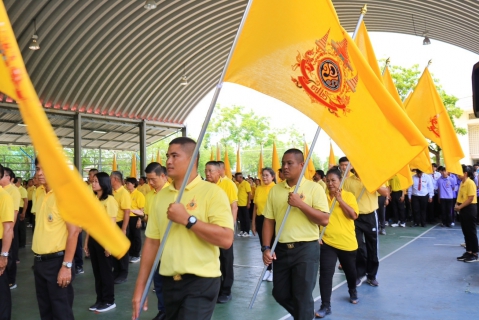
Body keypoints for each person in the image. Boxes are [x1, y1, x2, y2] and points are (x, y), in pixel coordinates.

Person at [132, 137, 234, 320]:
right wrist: (142, 287)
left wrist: (188, 219)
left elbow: (226, 239)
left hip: (201, 282)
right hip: (169, 281)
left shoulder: (212, 193)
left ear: (192, 159)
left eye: (174, 156)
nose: (168, 161)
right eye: (167, 156)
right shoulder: (160, 197)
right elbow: (152, 243)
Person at [262, 149, 329, 320]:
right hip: (282, 250)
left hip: (306, 249)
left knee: (303, 297)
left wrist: (300, 204)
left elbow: (324, 219)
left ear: (301, 165)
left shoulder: (315, 188)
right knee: (280, 293)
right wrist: (266, 247)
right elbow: (268, 221)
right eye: (283, 163)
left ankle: (304, 314)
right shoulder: (275, 190)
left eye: (289, 163)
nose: (285, 167)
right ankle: (304, 315)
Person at [32, 157, 81, 319]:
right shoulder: (39, 192)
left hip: (57, 263)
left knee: (61, 312)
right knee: (45, 311)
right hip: (39, 263)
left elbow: (74, 232)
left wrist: (66, 266)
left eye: (44, 169)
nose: (39, 173)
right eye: (38, 169)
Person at [316, 167, 359, 318]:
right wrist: (317, 235)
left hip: (347, 243)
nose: (330, 183)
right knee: (326, 274)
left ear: (340, 181)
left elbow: (353, 215)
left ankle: (352, 289)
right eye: (327, 181)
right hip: (327, 242)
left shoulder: (349, 196)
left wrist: (340, 200)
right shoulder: (321, 197)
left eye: (333, 180)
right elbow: (317, 217)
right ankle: (325, 305)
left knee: (350, 272)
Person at [343, 166, 389, 287]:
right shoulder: (348, 181)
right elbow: (344, 197)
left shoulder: (374, 178)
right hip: (355, 217)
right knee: (357, 246)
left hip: (370, 216)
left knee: (372, 246)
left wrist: (371, 183)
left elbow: (385, 192)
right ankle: (359, 273)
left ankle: (371, 275)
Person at [84, 172, 118, 312]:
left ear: (104, 183)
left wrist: (108, 244)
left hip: (105, 240)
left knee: (106, 273)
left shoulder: (110, 200)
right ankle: (100, 300)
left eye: (97, 181)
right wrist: (86, 242)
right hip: (93, 239)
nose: (93, 183)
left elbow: (111, 225)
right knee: (97, 273)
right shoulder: (95, 200)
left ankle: (109, 301)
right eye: (93, 181)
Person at [204, 161, 238, 303]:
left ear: (219, 172)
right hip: (209, 229)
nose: (207, 173)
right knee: (212, 258)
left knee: (226, 259)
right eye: (206, 170)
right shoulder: (205, 186)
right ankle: (215, 289)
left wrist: (230, 228)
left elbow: (234, 207)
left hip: (224, 228)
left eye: (210, 171)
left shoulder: (228, 184)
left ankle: (226, 290)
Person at [141, 162, 169, 320]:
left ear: (163, 176)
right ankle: (163, 310)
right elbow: (149, 218)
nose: (150, 183)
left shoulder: (174, 194)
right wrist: (141, 216)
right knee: (157, 280)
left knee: (170, 282)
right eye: (148, 180)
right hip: (154, 243)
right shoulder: (150, 195)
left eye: (153, 179)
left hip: (169, 245)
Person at [251, 167, 275, 282]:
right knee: (264, 246)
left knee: (273, 245)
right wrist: (253, 223)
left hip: (272, 220)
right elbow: (255, 206)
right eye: (263, 175)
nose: (264, 177)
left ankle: (274, 270)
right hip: (261, 219)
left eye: (267, 175)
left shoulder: (275, 188)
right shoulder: (258, 188)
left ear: (272, 177)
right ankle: (267, 269)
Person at [0, 167, 20, 290]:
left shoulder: (11, 192)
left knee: (9, 256)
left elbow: (14, 212)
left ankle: (11, 281)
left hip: (8, 226)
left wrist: (10, 231)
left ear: (8, 177)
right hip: (6, 227)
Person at [110, 171, 131, 284]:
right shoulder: (112, 192)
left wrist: (124, 228)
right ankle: (116, 270)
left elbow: (127, 212)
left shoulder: (124, 193)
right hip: (113, 224)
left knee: (122, 250)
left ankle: (123, 273)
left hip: (121, 223)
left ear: (115, 179)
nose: (109, 180)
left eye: (110, 178)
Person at [455, 165, 478, 262]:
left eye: (459, 173)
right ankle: (468, 251)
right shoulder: (462, 183)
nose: (457, 175)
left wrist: (459, 207)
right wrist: (457, 204)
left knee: (471, 232)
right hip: (463, 208)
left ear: (465, 173)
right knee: (465, 231)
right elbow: (460, 196)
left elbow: (470, 198)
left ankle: (475, 253)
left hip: (469, 208)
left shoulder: (470, 183)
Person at [0, 164, 14, 319]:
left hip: (0, 244)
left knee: (1, 287)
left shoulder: (4, 197)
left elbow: (8, 228)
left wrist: (4, 255)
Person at [125, 177, 145, 264]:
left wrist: (139, 220)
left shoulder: (139, 194)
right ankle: (130, 253)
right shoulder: (127, 194)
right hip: (127, 217)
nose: (127, 185)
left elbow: (142, 209)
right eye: (126, 183)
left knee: (136, 236)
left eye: (129, 183)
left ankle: (136, 255)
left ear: (134, 184)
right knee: (129, 236)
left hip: (135, 217)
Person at [235, 172, 252, 237]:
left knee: (246, 218)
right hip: (239, 204)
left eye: (236, 177)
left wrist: (248, 203)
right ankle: (242, 230)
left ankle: (247, 231)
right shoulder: (237, 184)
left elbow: (249, 194)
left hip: (245, 204)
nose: (235, 179)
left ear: (240, 177)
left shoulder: (246, 183)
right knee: (241, 218)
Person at [14, 177, 28, 249]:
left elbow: (25, 202)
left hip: (20, 208)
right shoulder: (14, 189)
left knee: (21, 227)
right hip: (15, 208)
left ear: (19, 183)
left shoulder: (23, 190)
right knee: (16, 227)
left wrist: (23, 212)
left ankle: (22, 243)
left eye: (15, 182)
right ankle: (18, 242)